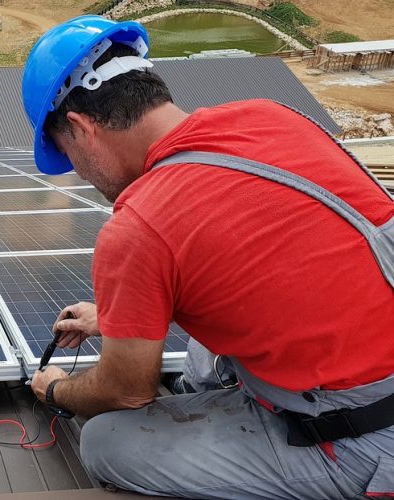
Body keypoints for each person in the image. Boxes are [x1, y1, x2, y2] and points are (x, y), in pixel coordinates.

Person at [21, 15, 394, 499]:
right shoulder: (272, 116)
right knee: (200, 357)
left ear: (80, 127)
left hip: (362, 438)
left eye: (66, 155)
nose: (76, 172)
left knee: (105, 442)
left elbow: (125, 392)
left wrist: (55, 389)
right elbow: (254, 262)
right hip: (374, 353)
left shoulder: (137, 225)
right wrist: (114, 317)